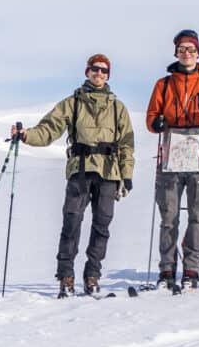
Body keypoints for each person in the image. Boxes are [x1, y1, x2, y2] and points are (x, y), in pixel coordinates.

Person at [11, 54, 135, 297]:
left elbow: (127, 144)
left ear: (108, 75)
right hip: (79, 170)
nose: (98, 74)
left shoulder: (118, 107)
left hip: (109, 172)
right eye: (94, 69)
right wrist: (26, 135)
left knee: (102, 225)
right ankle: (66, 276)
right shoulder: (72, 103)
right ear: (87, 72)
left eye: (103, 70)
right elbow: (49, 129)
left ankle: (92, 276)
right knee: (71, 222)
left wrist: (126, 175)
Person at [145, 29, 199, 291]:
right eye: (182, 49)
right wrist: (157, 123)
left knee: (197, 216)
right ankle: (167, 270)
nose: (186, 54)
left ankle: (191, 269)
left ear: (198, 53)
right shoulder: (164, 84)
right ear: (176, 53)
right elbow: (151, 118)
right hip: (171, 155)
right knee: (168, 217)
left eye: (191, 50)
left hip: (197, 154)